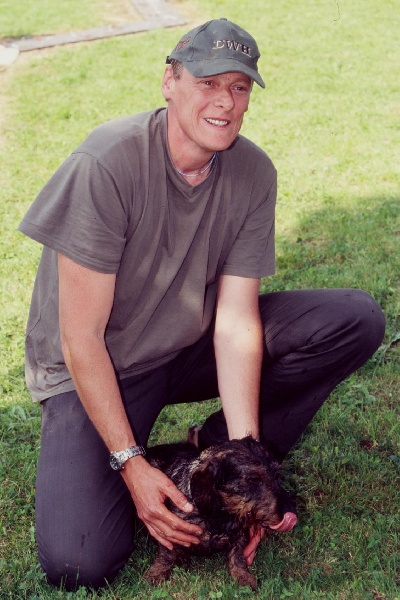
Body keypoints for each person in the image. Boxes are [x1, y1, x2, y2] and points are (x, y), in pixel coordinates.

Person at [18, 18, 385, 591]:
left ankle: (212, 456)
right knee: (78, 561)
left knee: (352, 320)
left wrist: (245, 461)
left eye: (239, 87)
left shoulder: (252, 171)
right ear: (170, 81)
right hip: (98, 365)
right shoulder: (106, 164)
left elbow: (236, 322)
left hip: (188, 345)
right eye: (208, 83)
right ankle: (145, 461)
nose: (225, 102)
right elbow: (79, 339)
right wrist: (130, 464)